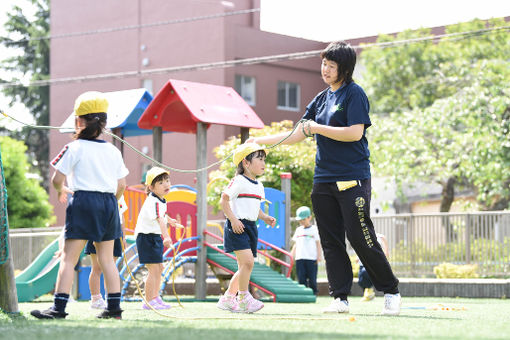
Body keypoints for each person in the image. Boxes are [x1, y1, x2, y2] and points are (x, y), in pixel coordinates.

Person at [247, 41, 401, 316]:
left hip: (352, 178)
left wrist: (318, 127)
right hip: (324, 179)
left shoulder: (354, 95)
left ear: (344, 68)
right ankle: (339, 297)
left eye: (331, 65)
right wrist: (259, 141)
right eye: (324, 64)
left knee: (360, 235)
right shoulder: (321, 99)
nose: (325, 69)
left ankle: (390, 290)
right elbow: (297, 134)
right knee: (330, 240)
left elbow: (355, 133)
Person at [31, 91, 129, 320]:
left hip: (83, 201)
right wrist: (110, 202)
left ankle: (58, 308)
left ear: (78, 121)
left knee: (69, 258)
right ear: (105, 123)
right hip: (109, 203)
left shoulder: (73, 148)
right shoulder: (113, 150)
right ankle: (114, 309)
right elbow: (122, 185)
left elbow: (57, 180)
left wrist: (61, 191)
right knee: (107, 259)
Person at [216, 143, 276, 313]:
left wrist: (265, 217)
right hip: (237, 226)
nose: (264, 163)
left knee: (245, 266)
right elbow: (224, 200)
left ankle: (228, 298)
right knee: (248, 263)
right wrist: (233, 220)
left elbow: (254, 208)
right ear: (246, 163)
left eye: (264, 159)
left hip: (250, 227)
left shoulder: (259, 186)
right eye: (260, 159)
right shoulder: (239, 181)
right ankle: (243, 298)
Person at [135, 166, 180, 310]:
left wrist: (170, 220)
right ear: (151, 187)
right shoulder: (153, 201)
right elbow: (159, 219)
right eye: (161, 183)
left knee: (159, 268)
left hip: (152, 237)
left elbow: (162, 216)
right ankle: (149, 301)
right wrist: (166, 237)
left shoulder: (160, 200)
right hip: (146, 238)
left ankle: (155, 297)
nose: (166, 184)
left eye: (167, 180)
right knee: (153, 270)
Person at [85, 196, 127, 309]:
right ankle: (96, 299)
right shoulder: (99, 193)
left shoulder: (120, 196)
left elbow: (122, 217)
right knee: (97, 268)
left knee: (111, 267)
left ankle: (111, 298)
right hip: (98, 229)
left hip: (115, 233)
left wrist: (123, 236)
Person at [291, 206, 322, 295]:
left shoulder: (314, 229)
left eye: (303, 220)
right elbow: (296, 244)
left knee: (312, 278)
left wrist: (319, 256)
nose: (302, 222)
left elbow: (318, 243)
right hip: (300, 257)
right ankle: (303, 295)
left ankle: (313, 293)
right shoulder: (299, 230)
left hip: (311, 258)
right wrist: (292, 255)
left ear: (309, 218)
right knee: (301, 278)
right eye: (300, 220)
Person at [358, 233, 389, 301]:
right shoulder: (359, 234)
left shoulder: (379, 237)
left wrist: (385, 255)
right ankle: (368, 293)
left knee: (365, 273)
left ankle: (370, 291)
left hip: (374, 262)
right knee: (360, 279)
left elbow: (385, 249)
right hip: (362, 262)